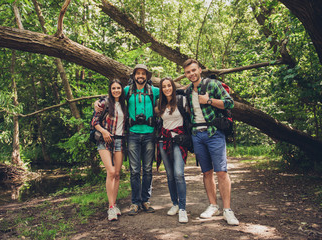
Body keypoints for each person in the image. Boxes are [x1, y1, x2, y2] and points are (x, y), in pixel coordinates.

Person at [95, 64, 159, 215]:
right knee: (135, 170)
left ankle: (146, 200)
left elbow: (171, 92)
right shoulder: (127, 91)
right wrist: (97, 102)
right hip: (132, 135)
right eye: (138, 73)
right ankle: (135, 202)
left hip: (150, 133)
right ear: (134, 76)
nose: (140, 76)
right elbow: (112, 95)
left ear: (147, 76)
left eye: (143, 73)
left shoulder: (154, 91)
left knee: (148, 170)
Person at [182, 59, 239, 225]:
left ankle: (227, 210)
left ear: (200, 70)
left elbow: (230, 103)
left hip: (214, 133)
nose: (191, 74)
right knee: (206, 172)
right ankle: (213, 206)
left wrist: (208, 101)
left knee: (221, 172)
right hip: (197, 135)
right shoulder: (187, 92)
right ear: (185, 74)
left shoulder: (213, 85)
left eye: (193, 70)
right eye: (188, 72)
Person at [91, 79, 127, 221]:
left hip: (120, 140)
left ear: (121, 90)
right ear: (110, 90)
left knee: (117, 174)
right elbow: (95, 122)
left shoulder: (124, 105)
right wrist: (104, 132)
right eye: (113, 88)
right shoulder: (104, 103)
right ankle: (110, 207)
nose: (116, 90)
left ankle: (114, 204)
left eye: (118, 88)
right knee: (110, 172)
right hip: (105, 140)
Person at [155, 77, 189, 223]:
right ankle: (174, 204)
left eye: (169, 85)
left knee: (179, 174)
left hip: (178, 141)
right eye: (164, 86)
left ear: (173, 87)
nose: (167, 88)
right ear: (161, 89)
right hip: (164, 140)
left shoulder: (182, 100)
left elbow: (190, 116)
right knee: (169, 175)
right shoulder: (159, 104)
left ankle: (182, 208)